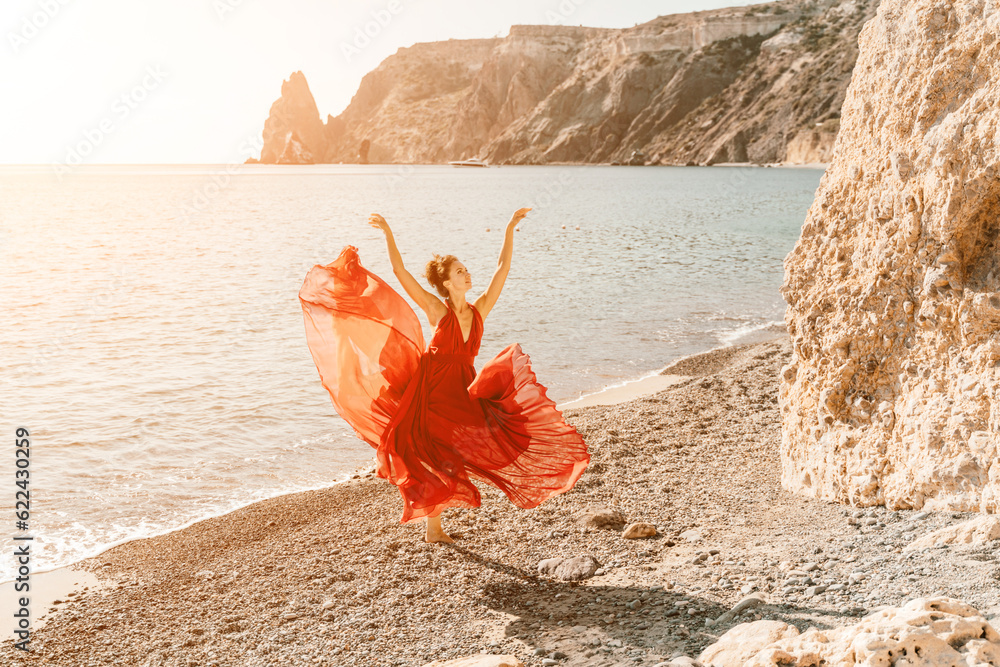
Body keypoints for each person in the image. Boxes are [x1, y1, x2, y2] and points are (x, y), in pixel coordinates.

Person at [298, 208, 590, 543]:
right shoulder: (438, 311)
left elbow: (502, 269)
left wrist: (509, 228)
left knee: (465, 448)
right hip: (431, 389)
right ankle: (434, 529)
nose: (467, 275)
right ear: (447, 282)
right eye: (460, 271)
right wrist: (388, 232)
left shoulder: (479, 310)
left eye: (466, 270)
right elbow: (399, 271)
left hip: (461, 389)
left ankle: (434, 529)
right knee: (433, 452)